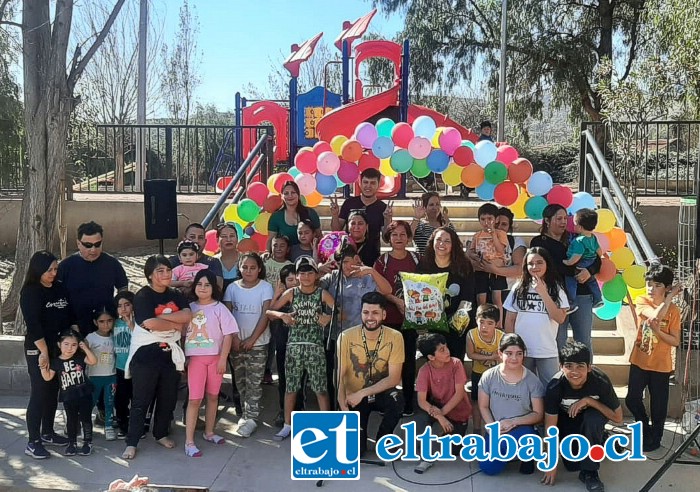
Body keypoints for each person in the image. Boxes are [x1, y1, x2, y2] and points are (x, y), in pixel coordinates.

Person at [122, 255, 191, 460]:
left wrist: (161, 319)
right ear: (150, 275)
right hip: (145, 355)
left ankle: (160, 433)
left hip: (169, 354)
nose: (166, 274)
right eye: (160, 271)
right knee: (141, 400)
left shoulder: (176, 294)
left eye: (168, 270)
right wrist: (174, 324)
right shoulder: (142, 296)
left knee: (167, 398)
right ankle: (131, 442)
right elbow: (148, 324)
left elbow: (187, 316)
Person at [267, 257, 334, 441]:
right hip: (294, 347)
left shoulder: (322, 294)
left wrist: (329, 318)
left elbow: (339, 312)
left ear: (316, 275)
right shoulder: (292, 293)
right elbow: (270, 312)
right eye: (301, 273)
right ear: (296, 275)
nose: (305, 276)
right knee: (291, 387)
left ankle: (327, 425)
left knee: (321, 388)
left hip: (315, 347)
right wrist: (283, 315)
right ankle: (288, 424)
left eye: (309, 272)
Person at [542, 341, 623, 491]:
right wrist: (551, 462)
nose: (574, 371)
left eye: (580, 366)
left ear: (589, 367)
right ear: (561, 367)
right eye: (569, 366)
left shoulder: (600, 381)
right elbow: (550, 426)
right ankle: (604, 440)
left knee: (592, 420)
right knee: (572, 465)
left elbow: (618, 418)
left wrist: (589, 401)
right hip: (568, 419)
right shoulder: (555, 387)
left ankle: (590, 473)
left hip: (593, 417)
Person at [320, 244, 392, 406]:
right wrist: (319, 268)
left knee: (358, 378)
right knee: (336, 378)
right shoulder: (332, 277)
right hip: (335, 336)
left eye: (347, 261)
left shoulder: (367, 277)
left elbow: (387, 290)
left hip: (360, 338)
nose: (344, 266)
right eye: (340, 263)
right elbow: (310, 285)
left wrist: (372, 271)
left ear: (356, 259)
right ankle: (337, 410)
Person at [21, 251, 74, 458]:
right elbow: (33, 325)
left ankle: (48, 432)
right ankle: (33, 441)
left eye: (55, 269)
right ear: (38, 269)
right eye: (49, 269)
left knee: (53, 390)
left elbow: (69, 315)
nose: (53, 273)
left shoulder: (60, 288)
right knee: (40, 390)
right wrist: (43, 352)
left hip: (57, 348)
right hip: (38, 348)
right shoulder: (30, 292)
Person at [336, 292, 404, 456]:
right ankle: (360, 439)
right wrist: (343, 406)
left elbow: (394, 378)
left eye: (375, 313)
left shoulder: (395, 337)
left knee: (397, 399)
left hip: (379, 392)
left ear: (384, 314)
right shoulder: (345, 336)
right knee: (357, 452)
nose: (370, 317)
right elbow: (339, 377)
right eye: (366, 312)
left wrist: (363, 393)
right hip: (354, 397)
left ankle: (384, 440)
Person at [625, 265, 682, 452]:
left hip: (661, 365)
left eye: (657, 285)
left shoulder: (674, 311)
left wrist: (659, 332)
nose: (651, 289)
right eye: (649, 284)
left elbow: (675, 340)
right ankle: (643, 425)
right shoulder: (642, 300)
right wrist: (669, 298)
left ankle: (655, 437)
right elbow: (655, 317)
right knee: (632, 398)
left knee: (658, 406)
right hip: (639, 361)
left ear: (666, 287)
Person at [184, 269, 240, 457]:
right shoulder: (189, 308)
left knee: (213, 397)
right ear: (194, 286)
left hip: (215, 359)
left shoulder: (219, 308)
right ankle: (189, 441)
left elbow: (228, 334)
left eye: (207, 284)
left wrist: (223, 358)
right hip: (196, 361)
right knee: (194, 399)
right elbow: (181, 332)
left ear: (213, 288)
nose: (203, 287)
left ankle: (209, 432)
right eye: (199, 284)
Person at [531, 204, 601, 353]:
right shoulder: (539, 242)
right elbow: (552, 267)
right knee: (558, 341)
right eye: (559, 218)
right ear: (547, 221)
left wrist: (589, 271)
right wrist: (575, 269)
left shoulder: (577, 237)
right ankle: (560, 374)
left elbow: (597, 258)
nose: (563, 222)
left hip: (582, 295)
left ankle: (586, 373)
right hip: (555, 297)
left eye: (565, 218)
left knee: (584, 341)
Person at [478, 333, 544, 476]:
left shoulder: (532, 380)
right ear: (500, 353)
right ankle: (505, 452)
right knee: (489, 468)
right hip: (497, 427)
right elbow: (483, 406)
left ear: (524, 355)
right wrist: (492, 428)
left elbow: (538, 414)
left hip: (521, 428)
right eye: (509, 353)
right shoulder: (488, 376)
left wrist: (513, 421)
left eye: (519, 354)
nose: (514, 358)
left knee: (526, 439)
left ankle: (526, 455)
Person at [223, 252, 274, 438]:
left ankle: (251, 417)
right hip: (236, 344)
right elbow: (227, 315)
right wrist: (235, 338)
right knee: (240, 380)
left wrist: (252, 339)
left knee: (254, 382)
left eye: (253, 267)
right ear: (240, 268)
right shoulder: (232, 288)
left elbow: (265, 315)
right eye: (245, 267)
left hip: (258, 344)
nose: (249, 271)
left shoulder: (265, 287)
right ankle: (246, 414)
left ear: (259, 269)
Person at [504, 247, 568, 386]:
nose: (535, 267)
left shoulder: (557, 288)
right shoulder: (518, 287)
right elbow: (510, 319)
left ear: (547, 264)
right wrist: (511, 346)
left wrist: (543, 292)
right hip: (522, 350)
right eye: (530, 263)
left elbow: (560, 318)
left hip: (547, 350)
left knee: (550, 389)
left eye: (539, 262)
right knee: (523, 387)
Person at [374, 220, 420, 415]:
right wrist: (395, 300)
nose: (399, 238)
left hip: (410, 319)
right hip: (389, 318)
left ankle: (408, 403)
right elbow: (377, 288)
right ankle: (386, 402)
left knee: (408, 361)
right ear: (388, 238)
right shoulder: (381, 261)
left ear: (408, 237)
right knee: (385, 362)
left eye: (403, 235)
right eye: (394, 235)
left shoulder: (417, 259)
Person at [413, 333, 472, 474]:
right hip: (437, 408)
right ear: (431, 357)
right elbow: (421, 400)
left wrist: (442, 414)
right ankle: (426, 458)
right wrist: (440, 417)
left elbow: (459, 394)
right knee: (420, 427)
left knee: (454, 450)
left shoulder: (456, 364)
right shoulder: (424, 370)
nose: (447, 351)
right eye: (441, 350)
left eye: (446, 347)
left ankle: (447, 433)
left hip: (457, 410)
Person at [57, 221, 128, 335]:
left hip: (106, 325)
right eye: (88, 245)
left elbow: (123, 288)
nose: (93, 250)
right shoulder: (66, 266)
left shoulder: (112, 264)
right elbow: (57, 296)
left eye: (97, 244)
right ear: (78, 243)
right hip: (75, 326)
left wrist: (121, 310)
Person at [417, 227, 476, 362]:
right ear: (432, 242)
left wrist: (456, 321)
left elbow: (467, 296)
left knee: (454, 362)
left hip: (456, 322)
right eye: (438, 240)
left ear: (453, 244)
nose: (442, 244)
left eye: (447, 241)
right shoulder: (424, 265)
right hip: (431, 321)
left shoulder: (464, 265)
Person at [40, 330, 98, 457]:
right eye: (66, 344)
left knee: (86, 419)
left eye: (74, 345)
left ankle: (87, 442)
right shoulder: (56, 361)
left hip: (84, 393)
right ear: (59, 344)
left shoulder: (79, 357)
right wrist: (42, 366)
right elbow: (48, 377)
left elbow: (93, 361)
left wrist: (85, 348)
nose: (69, 348)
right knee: (71, 420)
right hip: (68, 396)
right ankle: (72, 443)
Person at [268, 263, 302, 426]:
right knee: (284, 380)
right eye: (290, 280)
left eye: (297, 279)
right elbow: (270, 313)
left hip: (301, 347)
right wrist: (276, 295)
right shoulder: (282, 300)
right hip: (283, 347)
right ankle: (284, 411)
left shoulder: (305, 295)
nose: (294, 282)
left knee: (301, 380)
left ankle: (299, 412)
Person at [467, 203, 509, 327]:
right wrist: (474, 256)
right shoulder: (477, 235)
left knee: (497, 298)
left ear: (496, 220)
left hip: (496, 271)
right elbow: (471, 251)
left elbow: (501, 250)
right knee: (481, 298)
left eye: (490, 219)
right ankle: (481, 322)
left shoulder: (501, 234)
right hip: (481, 270)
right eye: (483, 219)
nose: (486, 222)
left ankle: (499, 324)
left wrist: (493, 235)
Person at [466, 304, 504, 435]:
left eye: (489, 323)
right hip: (478, 373)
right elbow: (470, 354)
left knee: (495, 401)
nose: (484, 326)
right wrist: (491, 356)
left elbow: (503, 357)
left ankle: (495, 428)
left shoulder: (501, 337)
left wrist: (496, 358)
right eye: (481, 322)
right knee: (476, 402)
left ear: (496, 324)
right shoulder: (471, 335)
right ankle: (476, 429)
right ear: (476, 319)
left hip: (496, 375)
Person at [330, 168, 388, 254]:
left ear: (379, 184)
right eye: (365, 182)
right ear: (360, 183)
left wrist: (388, 220)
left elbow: (386, 239)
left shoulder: (383, 207)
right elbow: (336, 230)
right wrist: (335, 215)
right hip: (348, 255)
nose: (368, 186)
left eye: (372, 183)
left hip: (372, 257)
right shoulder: (349, 203)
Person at [263, 235, 293, 384]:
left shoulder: (289, 265)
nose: (278, 248)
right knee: (266, 340)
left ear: (287, 249)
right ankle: (266, 369)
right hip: (264, 304)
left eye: (282, 245)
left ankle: (277, 370)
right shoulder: (265, 262)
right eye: (275, 245)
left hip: (281, 306)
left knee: (276, 340)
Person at [86, 305, 118, 441]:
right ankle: (84, 425)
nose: (106, 324)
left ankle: (109, 426)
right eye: (101, 321)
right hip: (94, 377)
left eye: (109, 320)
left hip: (111, 376)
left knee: (109, 402)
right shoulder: (91, 338)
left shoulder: (115, 336)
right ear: (95, 322)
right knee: (91, 402)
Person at [563, 209, 604, 312]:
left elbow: (577, 255)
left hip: (581, 263)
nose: (574, 226)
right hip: (592, 260)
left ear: (580, 227)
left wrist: (569, 262)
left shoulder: (579, 240)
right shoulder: (593, 237)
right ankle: (598, 299)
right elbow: (599, 251)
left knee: (570, 280)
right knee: (592, 281)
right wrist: (595, 257)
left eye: (575, 224)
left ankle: (571, 302)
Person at [170, 223, 224, 289]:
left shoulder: (212, 262)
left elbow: (217, 288)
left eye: (200, 238)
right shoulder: (172, 261)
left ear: (205, 241)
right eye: (192, 237)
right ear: (184, 239)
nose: (196, 241)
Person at [268, 180, 321, 247]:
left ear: (298, 195)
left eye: (293, 192)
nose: (290, 196)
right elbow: (271, 240)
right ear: (282, 196)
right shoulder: (276, 217)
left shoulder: (310, 213)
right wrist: (267, 252)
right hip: (285, 256)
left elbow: (319, 236)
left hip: (308, 255)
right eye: (286, 193)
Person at [113, 291, 135, 439]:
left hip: (136, 368)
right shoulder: (114, 323)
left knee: (137, 398)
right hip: (120, 367)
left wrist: (131, 324)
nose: (123, 309)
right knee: (121, 398)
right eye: (120, 306)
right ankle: (122, 425)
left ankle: (136, 426)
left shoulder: (139, 322)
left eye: (127, 304)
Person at [410, 192, 454, 256]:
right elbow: (408, 239)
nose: (435, 207)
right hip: (424, 262)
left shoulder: (445, 223)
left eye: (437, 204)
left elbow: (455, 243)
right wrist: (416, 218)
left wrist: (447, 222)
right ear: (424, 207)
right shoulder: (418, 224)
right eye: (431, 205)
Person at [215, 222, 240, 291]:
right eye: (224, 236)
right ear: (217, 240)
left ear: (237, 239)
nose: (228, 240)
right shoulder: (212, 262)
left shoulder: (245, 260)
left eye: (232, 236)